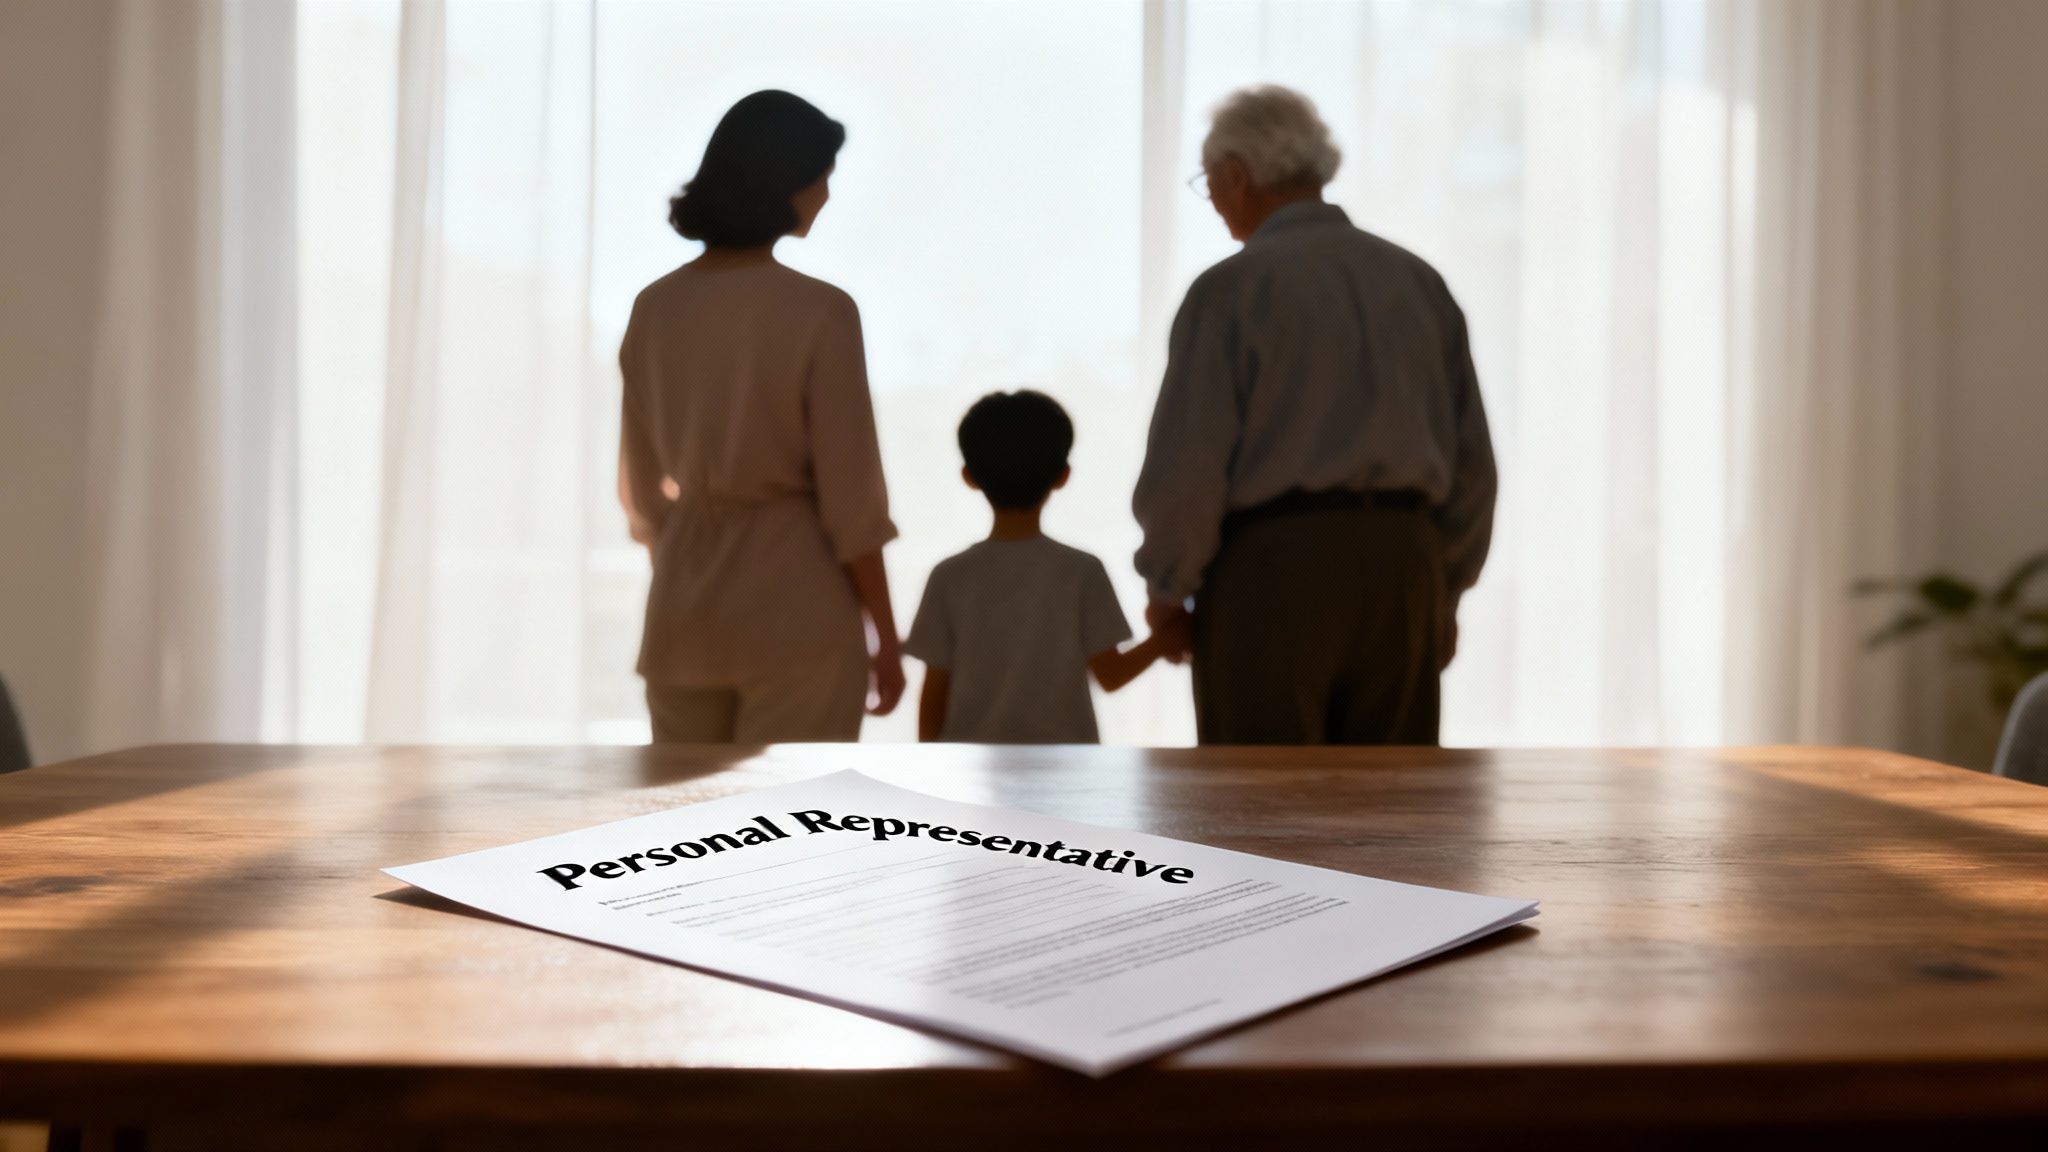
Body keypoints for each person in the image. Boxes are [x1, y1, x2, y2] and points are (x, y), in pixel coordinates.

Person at [1133, 85, 1497, 746]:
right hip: (1404, 566)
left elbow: (1188, 466)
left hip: (1269, 571)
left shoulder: (1230, 290)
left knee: (1260, 820)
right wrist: (1443, 587)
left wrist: (1168, 587)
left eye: (1207, 181)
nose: (1211, 198)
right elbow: (1474, 465)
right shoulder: (1418, 282)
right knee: (1390, 820)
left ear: (1237, 175)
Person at [618, 90, 903, 743]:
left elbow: (643, 495)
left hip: (682, 611)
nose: (827, 194)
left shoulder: (653, 307)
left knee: (686, 833)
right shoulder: (822, 311)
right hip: (797, 611)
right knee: (794, 833)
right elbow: (852, 505)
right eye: (822, 175)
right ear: (788, 180)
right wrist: (884, 638)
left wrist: (692, 580)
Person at [905, 391, 1184, 744]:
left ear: (969, 476)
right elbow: (1111, 675)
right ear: (1062, 475)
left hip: (970, 770)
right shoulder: (1081, 571)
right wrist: (1165, 641)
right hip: (1066, 769)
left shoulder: (949, 576)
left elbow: (934, 697)